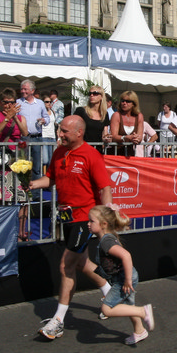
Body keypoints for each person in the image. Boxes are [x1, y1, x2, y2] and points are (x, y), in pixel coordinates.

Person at [29, 115, 116, 340]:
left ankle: (58, 321)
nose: (60, 134)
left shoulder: (91, 155)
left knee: (66, 265)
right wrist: (32, 184)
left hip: (84, 217)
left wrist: (105, 215)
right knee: (81, 263)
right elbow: (51, 179)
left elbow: (105, 187)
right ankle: (111, 293)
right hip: (66, 217)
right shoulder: (59, 152)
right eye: (60, 130)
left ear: (79, 133)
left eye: (64, 131)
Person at [88, 205, 156, 345]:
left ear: (104, 224)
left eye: (91, 221)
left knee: (107, 309)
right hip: (124, 277)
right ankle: (139, 331)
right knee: (128, 305)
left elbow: (126, 256)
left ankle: (143, 312)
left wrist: (127, 281)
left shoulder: (106, 242)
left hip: (123, 279)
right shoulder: (106, 238)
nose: (88, 224)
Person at [0, 88, 29, 207]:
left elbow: (25, 133)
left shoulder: (21, 118)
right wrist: (7, 118)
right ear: (1, 103)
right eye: (5, 102)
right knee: (4, 192)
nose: (8, 105)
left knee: (22, 192)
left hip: (18, 155)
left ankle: (22, 218)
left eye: (11, 102)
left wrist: (15, 117)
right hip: (4, 156)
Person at [16, 79, 50, 179]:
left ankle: (35, 187)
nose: (23, 91)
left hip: (37, 138)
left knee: (37, 165)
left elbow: (47, 117)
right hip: (23, 138)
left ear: (32, 90)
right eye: (22, 89)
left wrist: (44, 120)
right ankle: (23, 186)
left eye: (25, 89)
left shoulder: (40, 103)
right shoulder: (18, 102)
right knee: (22, 164)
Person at [108, 90, 144, 157]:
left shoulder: (139, 116)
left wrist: (136, 138)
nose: (124, 103)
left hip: (130, 154)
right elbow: (114, 136)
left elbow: (140, 137)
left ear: (133, 104)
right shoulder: (116, 115)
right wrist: (125, 138)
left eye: (128, 101)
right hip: (116, 153)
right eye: (122, 101)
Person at [42, 94, 58, 167]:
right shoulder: (40, 112)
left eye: (50, 102)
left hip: (52, 137)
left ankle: (49, 173)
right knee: (45, 159)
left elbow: (55, 124)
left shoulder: (52, 112)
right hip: (44, 136)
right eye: (46, 102)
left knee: (52, 160)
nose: (49, 103)